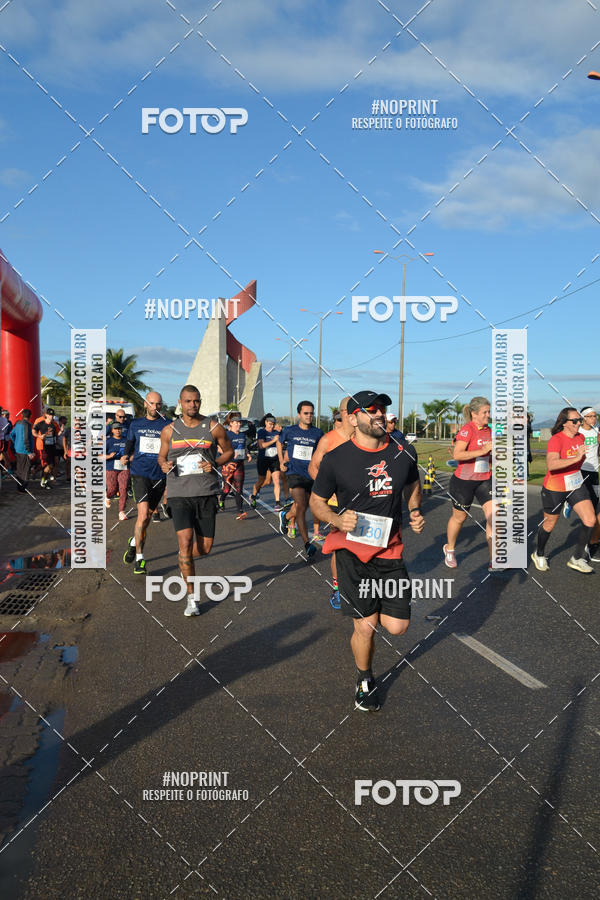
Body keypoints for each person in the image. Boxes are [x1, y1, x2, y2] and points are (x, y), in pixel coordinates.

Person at [310, 390, 425, 712]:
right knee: (365, 625)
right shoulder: (337, 458)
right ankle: (364, 678)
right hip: (352, 551)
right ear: (353, 418)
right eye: (371, 409)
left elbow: (412, 483)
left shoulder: (403, 452)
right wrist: (336, 519)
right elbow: (317, 502)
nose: (379, 414)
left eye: (382, 409)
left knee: (398, 627)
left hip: (390, 551)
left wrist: (415, 510)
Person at [158, 385, 233, 617]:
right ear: (180, 402)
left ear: (200, 401)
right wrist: (163, 465)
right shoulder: (169, 430)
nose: (193, 405)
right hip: (179, 494)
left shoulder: (213, 427)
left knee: (204, 548)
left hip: (206, 493)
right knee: (185, 542)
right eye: (188, 401)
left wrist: (215, 463)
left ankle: (184, 559)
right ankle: (192, 599)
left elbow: (229, 451)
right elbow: (161, 456)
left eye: (196, 401)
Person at [531, 407, 596, 573]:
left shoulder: (580, 437)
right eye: (575, 420)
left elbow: (580, 461)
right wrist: (576, 457)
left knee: (590, 520)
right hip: (555, 487)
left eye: (579, 420)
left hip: (575, 484)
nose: (578, 423)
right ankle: (539, 554)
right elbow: (552, 465)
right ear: (564, 423)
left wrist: (579, 461)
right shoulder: (556, 440)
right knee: (549, 523)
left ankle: (577, 558)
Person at [308, 396, 355, 609]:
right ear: (344, 413)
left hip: (361, 500)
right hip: (337, 502)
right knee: (341, 546)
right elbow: (313, 467)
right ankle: (337, 588)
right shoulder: (329, 439)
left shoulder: (364, 437)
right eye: (354, 411)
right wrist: (327, 490)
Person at [121, 392, 170, 574]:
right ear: (145, 404)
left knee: (148, 516)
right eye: (151, 403)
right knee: (142, 516)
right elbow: (129, 443)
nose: (155, 407)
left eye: (158, 404)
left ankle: (134, 542)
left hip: (159, 476)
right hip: (140, 474)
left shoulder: (167, 424)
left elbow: (173, 447)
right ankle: (140, 559)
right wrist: (125, 455)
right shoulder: (136, 424)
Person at [443, 397, 493, 570]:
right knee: (460, 518)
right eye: (485, 412)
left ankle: (494, 560)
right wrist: (482, 450)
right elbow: (457, 454)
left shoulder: (488, 430)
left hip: (484, 479)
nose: (488, 415)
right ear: (474, 414)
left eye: (489, 411)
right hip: (463, 482)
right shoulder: (467, 430)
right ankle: (450, 549)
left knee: (494, 517)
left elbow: (489, 455)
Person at [277, 401, 323, 561]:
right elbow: (279, 442)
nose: (309, 416)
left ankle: (286, 516)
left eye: (311, 413)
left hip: (310, 474)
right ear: (299, 414)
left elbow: (322, 451)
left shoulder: (318, 433)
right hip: (294, 473)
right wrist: (281, 461)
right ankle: (307, 544)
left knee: (305, 506)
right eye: (306, 413)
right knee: (301, 505)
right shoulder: (290, 430)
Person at [562, 407, 600, 547]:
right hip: (581, 468)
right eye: (590, 416)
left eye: (595, 416)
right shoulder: (578, 432)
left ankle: (591, 530)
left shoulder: (597, 430)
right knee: (585, 496)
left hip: (594, 469)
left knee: (595, 503)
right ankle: (570, 501)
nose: (593, 419)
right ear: (583, 418)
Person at [219, 411, 252, 520]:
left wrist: (247, 454)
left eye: (239, 422)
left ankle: (240, 511)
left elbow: (244, 446)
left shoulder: (242, 435)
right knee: (227, 489)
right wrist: (229, 453)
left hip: (239, 464)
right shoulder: (227, 435)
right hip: (228, 464)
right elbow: (219, 448)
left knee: (239, 488)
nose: (238, 424)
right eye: (236, 423)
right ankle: (221, 499)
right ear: (231, 423)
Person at [250, 414, 286, 511]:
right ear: (266, 423)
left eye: (273, 424)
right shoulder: (262, 432)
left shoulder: (277, 432)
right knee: (262, 480)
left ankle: (277, 503)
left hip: (274, 460)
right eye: (270, 424)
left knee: (276, 480)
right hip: (263, 459)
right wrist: (273, 440)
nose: (271, 426)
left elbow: (281, 445)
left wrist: (281, 433)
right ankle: (253, 495)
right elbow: (261, 445)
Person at [105, 422, 130, 521]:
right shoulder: (108, 441)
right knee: (112, 489)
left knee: (123, 489)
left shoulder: (126, 440)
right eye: (115, 429)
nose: (118, 430)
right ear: (112, 430)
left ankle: (121, 511)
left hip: (124, 467)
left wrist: (128, 458)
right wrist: (109, 456)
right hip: (111, 468)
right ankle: (107, 496)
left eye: (119, 428)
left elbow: (132, 452)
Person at [32, 408, 60, 489]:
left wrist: (59, 434)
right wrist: (39, 436)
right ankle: (38, 474)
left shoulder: (54, 424)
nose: (51, 416)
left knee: (52, 464)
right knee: (45, 464)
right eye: (50, 415)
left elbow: (57, 434)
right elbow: (33, 431)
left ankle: (44, 479)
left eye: (52, 415)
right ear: (45, 414)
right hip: (42, 446)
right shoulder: (39, 421)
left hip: (52, 446)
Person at [9, 410, 35, 492]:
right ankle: (23, 488)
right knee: (26, 469)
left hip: (18, 450)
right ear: (30, 416)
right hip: (25, 451)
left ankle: (19, 487)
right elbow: (26, 439)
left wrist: (16, 443)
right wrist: (29, 452)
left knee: (19, 469)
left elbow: (11, 435)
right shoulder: (26, 425)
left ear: (22, 415)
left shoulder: (18, 424)